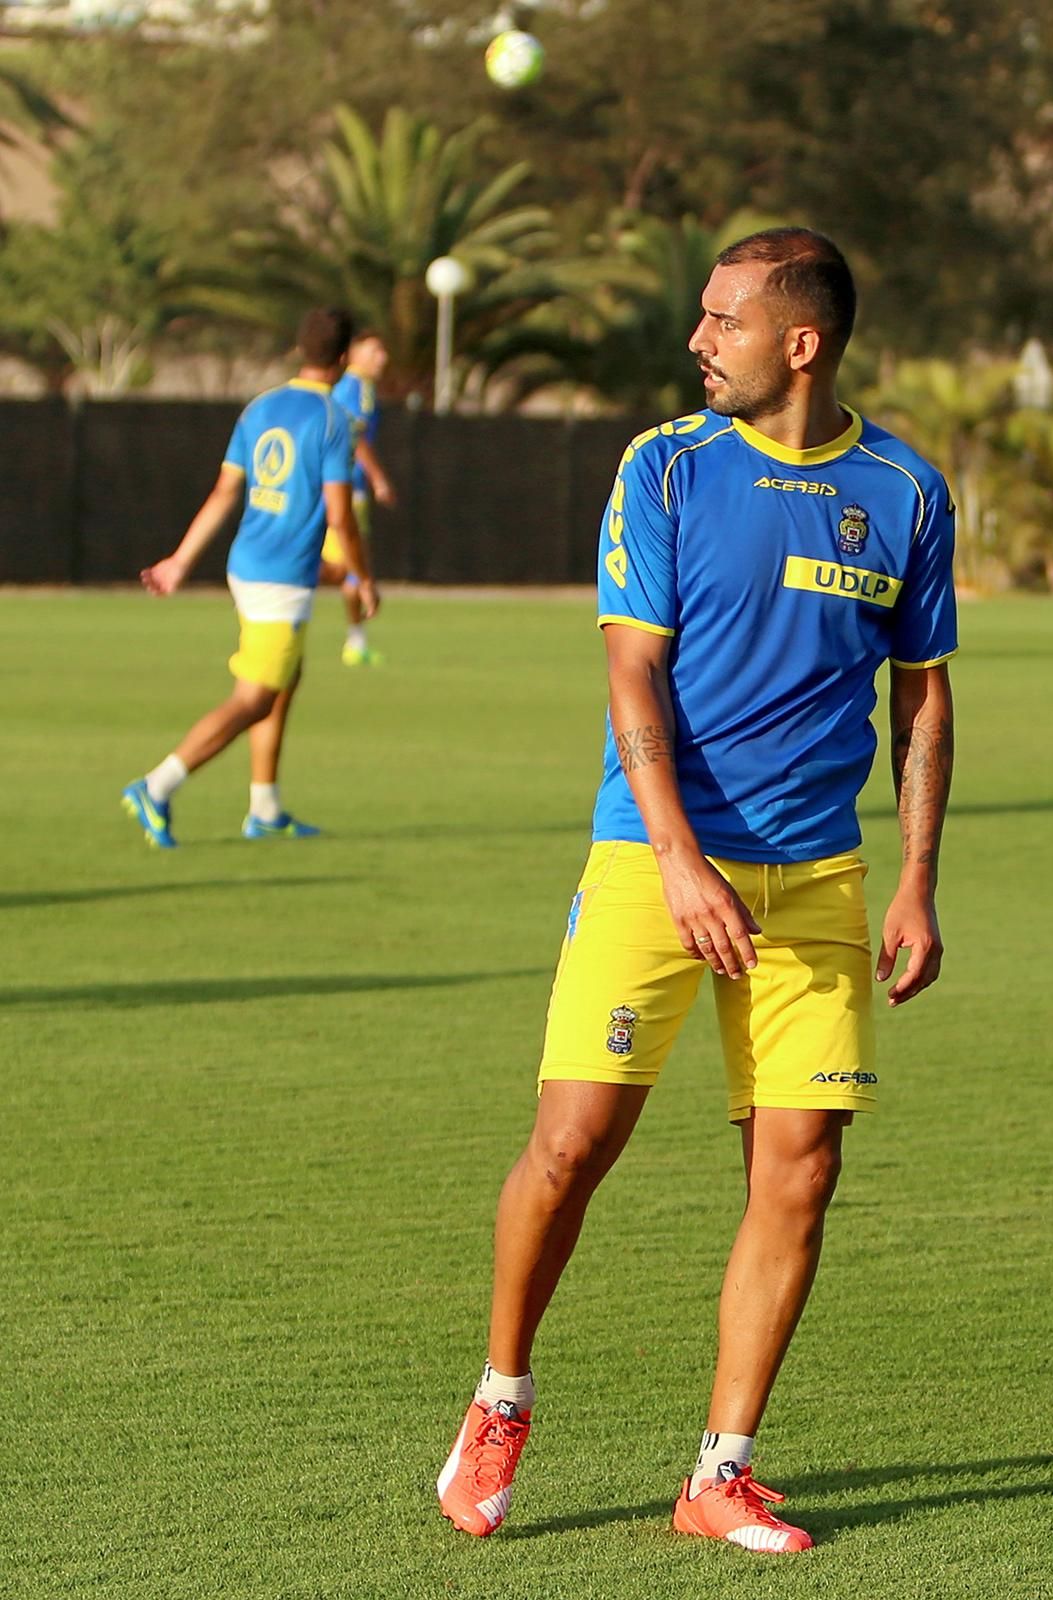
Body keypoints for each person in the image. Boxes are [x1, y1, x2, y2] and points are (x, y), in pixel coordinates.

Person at [437, 228, 956, 1551]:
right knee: (570, 1146)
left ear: (800, 341)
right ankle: (499, 1397)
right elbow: (631, 672)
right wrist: (676, 861)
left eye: (722, 319)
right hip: (651, 859)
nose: (696, 341)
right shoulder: (664, 466)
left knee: (800, 1169)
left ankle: (718, 1473)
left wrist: (913, 879)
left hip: (816, 879)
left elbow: (920, 696)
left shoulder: (903, 490)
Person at [121, 307, 379, 849]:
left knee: (285, 681)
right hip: (280, 578)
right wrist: (363, 577)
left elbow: (224, 493)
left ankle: (265, 808)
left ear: (300, 350)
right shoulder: (333, 419)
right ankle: (157, 786)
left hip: (249, 564)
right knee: (255, 699)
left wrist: (179, 561)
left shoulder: (260, 407)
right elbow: (340, 514)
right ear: (343, 358)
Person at [320, 329, 396, 667]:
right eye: (375, 350)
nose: (383, 358)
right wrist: (378, 478)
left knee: (354, 568)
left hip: (344, 486)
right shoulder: (355, 388)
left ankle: (357, 642)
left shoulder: (356, 387)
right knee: (347, 567)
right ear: (353, 354)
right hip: (345, 488)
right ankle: (277, 574)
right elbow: (355, 436)